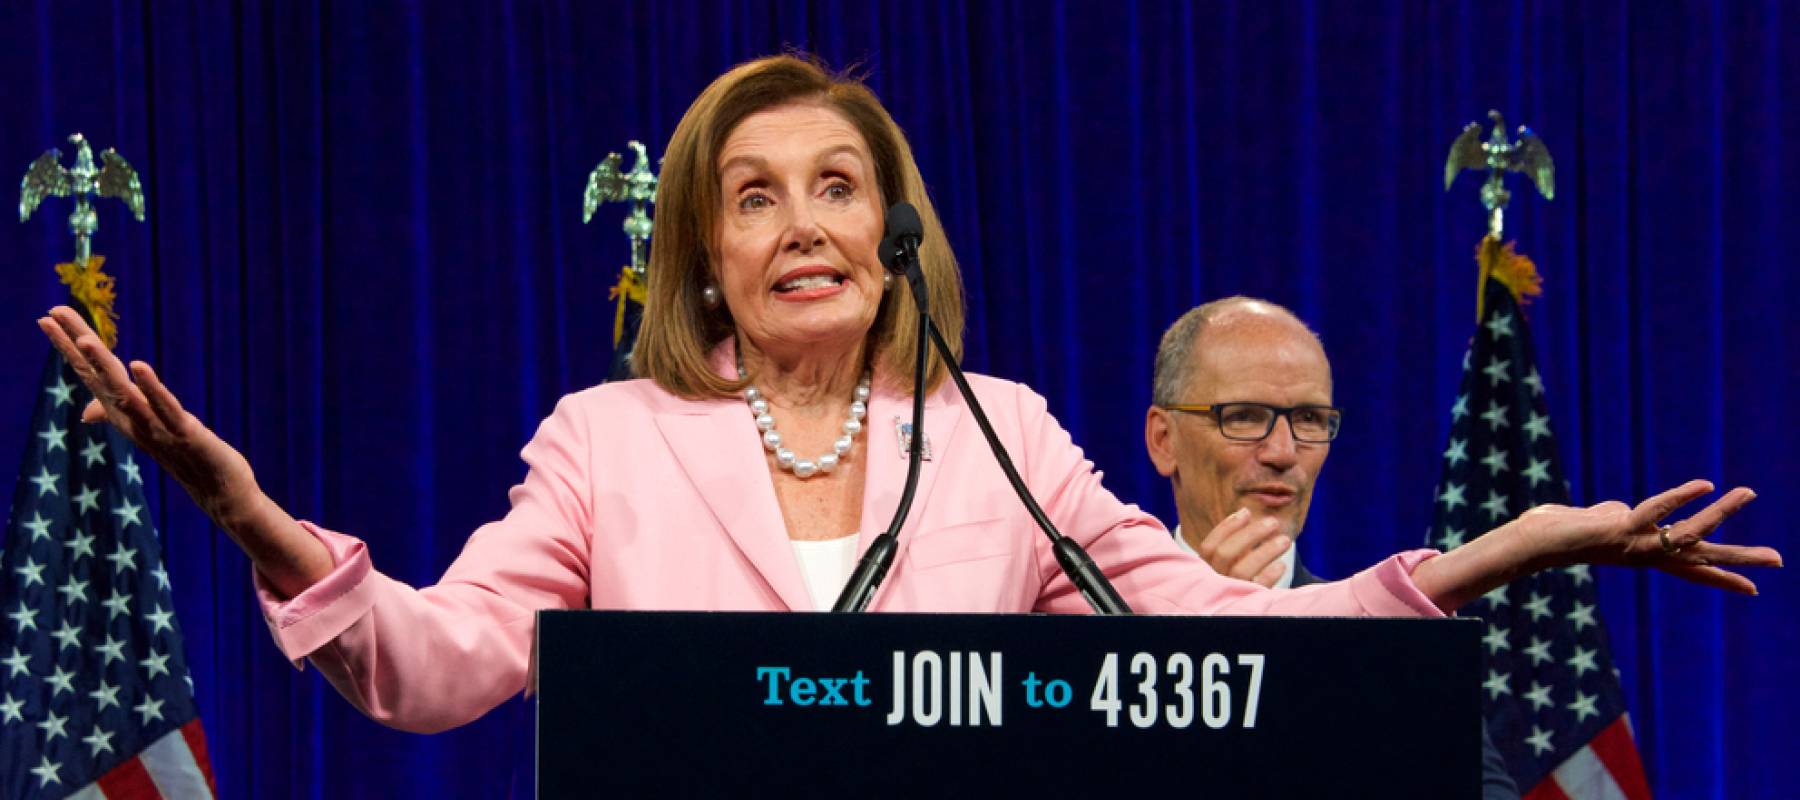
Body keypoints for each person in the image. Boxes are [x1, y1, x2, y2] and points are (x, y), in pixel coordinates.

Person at [37, 55, 1779, 737]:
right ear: (709, 260)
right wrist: (256, 525)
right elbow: (430, 674)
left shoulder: (1008, 439)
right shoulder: (611, 442)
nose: (805, 223)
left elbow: (1225, 643)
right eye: (757, 194)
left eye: (839, 185)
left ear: (893, 226)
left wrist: (1494, 554)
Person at [1143, 296, 1518, 798]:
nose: (1283, 453)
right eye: (1245, 416)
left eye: (1311, 419)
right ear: (1164, 440)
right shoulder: (1092, 634)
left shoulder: (1391, 651)